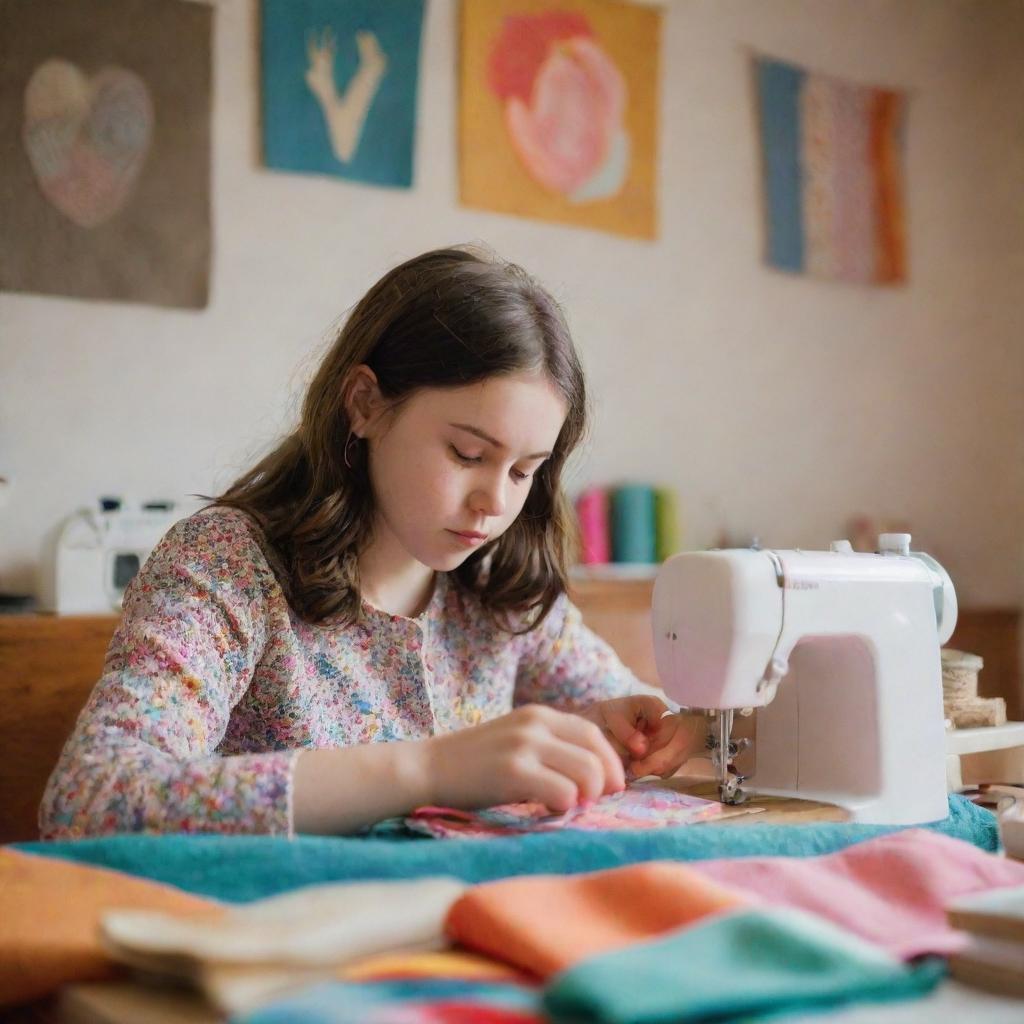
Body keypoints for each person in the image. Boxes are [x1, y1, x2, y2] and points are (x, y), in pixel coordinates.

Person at [40, 246, 704, 839]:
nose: (495, 502)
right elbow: (90, 799)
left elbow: (641, 716)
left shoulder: (501, 586)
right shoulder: (226, 566)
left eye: (525, 471)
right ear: (364, 404)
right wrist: (428, 769)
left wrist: (637, 727)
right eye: (467, 452)